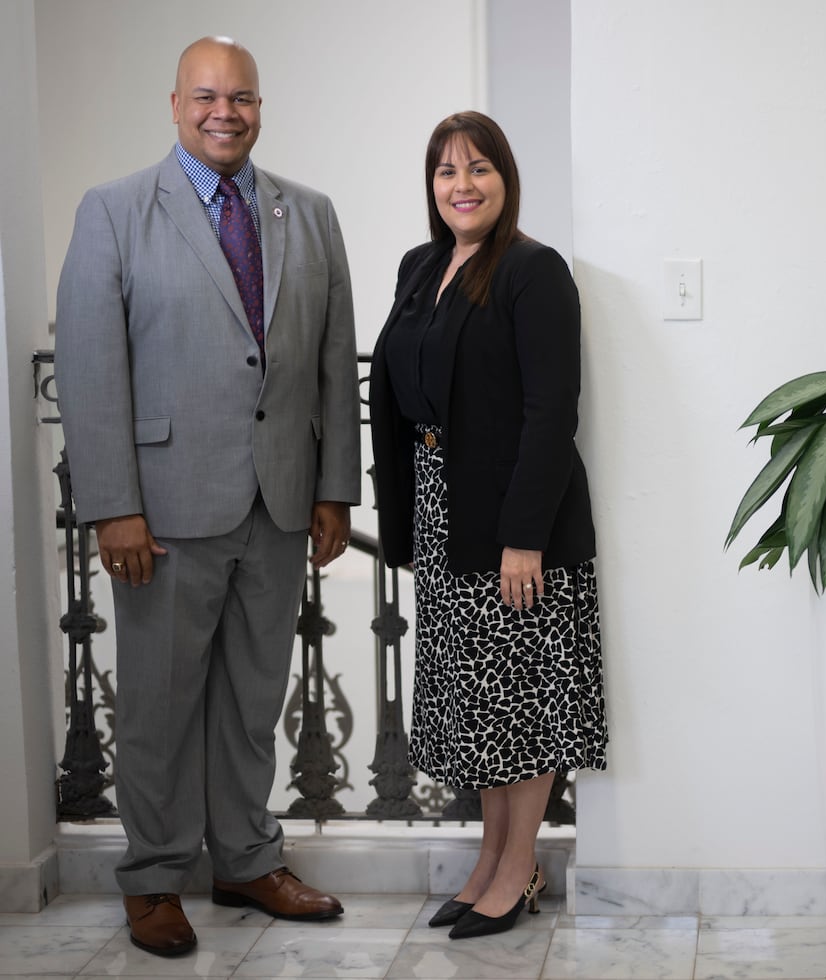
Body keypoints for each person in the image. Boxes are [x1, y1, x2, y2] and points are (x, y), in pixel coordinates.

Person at [55, 36, 360, 957]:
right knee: (155, 702)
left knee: (251, 701)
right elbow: (89, 365)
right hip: (161, 511)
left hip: (278, 505)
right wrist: (113, 504)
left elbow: (333, 364)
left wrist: (336, 487)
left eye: (243, 98)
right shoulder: (113, 213)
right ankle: (152, 878)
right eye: (207, 96)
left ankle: (246, 859)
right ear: (176, 103)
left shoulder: (308, 214)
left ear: (261, 107)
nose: (226, 112)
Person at [369, 111, 608, 940]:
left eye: (478, 169)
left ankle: (518, 868)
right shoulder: (421, 265)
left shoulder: (534, 272)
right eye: (445, 172)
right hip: (441, 509)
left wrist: (524, 535)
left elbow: (551, 413)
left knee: (521, 701)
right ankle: (491, 858)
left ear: (505, 180)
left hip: (512, 516)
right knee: (477, 704)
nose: (461, 186)